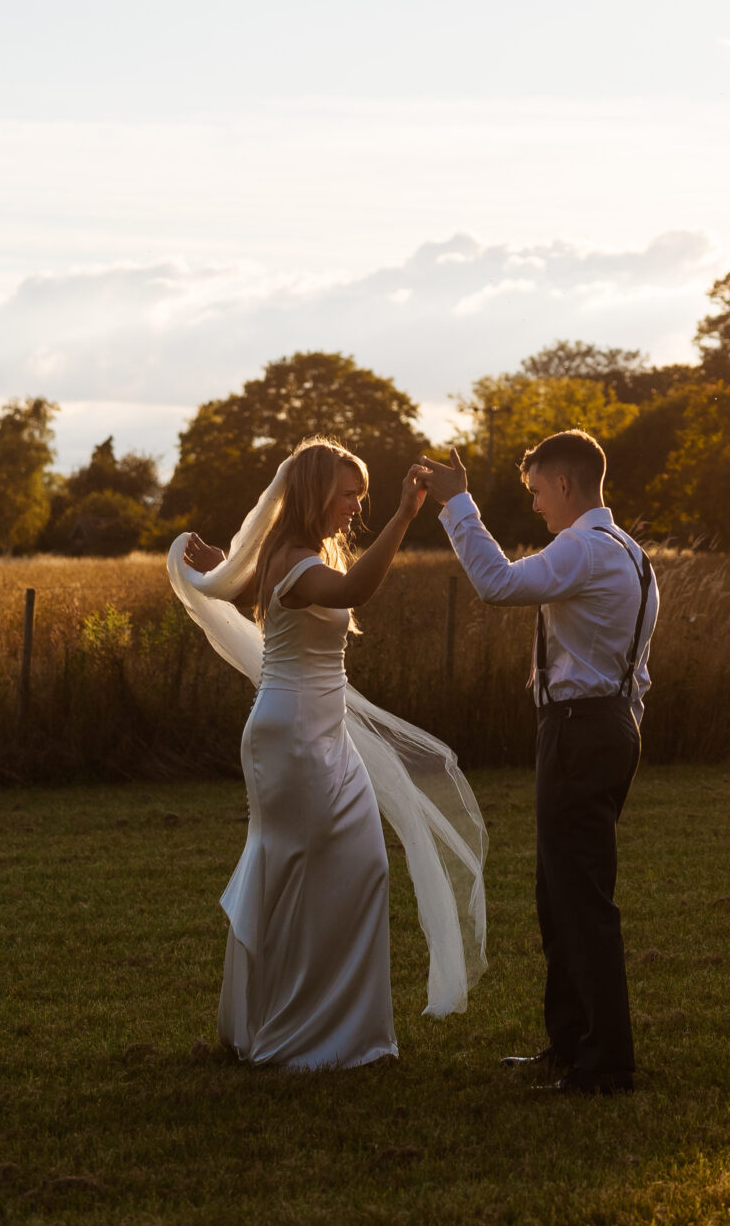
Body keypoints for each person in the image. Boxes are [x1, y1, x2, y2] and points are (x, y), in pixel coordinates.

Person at [167, 436, 487, 1071]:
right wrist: (403, 516)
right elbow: (356, 591)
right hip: (293, 738)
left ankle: (316, 1025)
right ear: (315, 492)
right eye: (348, 496)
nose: (354, 509)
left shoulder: (290, 555)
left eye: (362, 499)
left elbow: (244, 583)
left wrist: (223, 562)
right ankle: (302, 1033)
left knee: (344, 871)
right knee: (305, 872)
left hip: (318, 732)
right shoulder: (298, 563)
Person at [414, 428, 658, 1095]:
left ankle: (605, 1063)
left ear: (566, 484)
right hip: (604, 725)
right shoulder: (629, 552)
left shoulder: (581, 547)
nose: (535, 507)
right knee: (560, 895)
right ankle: (571, 1047)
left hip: (580, 732)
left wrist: (458, 504)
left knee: (577, 899)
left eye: (535, 492)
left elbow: (496, 584)